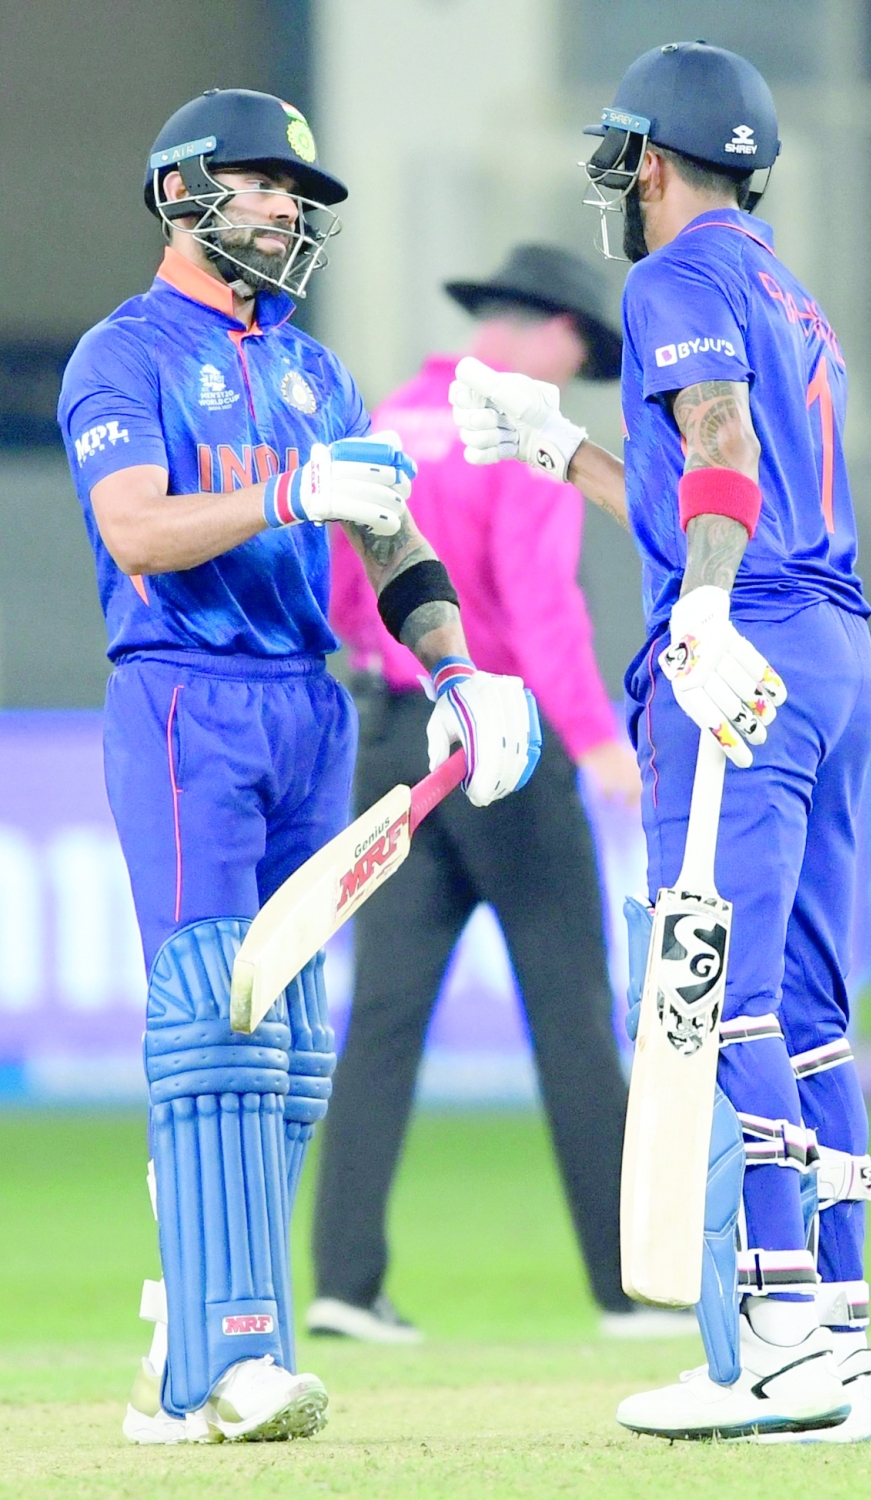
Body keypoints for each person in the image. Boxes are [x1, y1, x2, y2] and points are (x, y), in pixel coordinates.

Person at [57, 87, 538, 1446]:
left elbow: (391, 539)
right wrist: (288, 495)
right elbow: (140, 532)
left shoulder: (316, 372)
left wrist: (457, 674)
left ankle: (185, 1368)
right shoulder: (123, 353)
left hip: (308, 708)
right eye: (262, 183)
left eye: (299, 191)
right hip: (183, 699)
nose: (286, 208)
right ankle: (230, 1358)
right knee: (219, 1012)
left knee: (293, 1046)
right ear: (180, 192)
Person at [450, 42, 871, 1443]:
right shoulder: (784, 284)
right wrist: (557, 448)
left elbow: (720, 444)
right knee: (810, 1018)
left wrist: (702, 605)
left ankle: (771, 1346)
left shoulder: (673, 276)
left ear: (649, 162)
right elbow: (696, 465)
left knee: (717, 993)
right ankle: (845, 1341)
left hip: (740, 647)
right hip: (835, 655)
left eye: (622, 163)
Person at [308, 244, 692, 1343]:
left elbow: (348, 587)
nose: (574, 372)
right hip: (508, 742)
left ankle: (344, 1281)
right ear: (538, 329)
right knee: (571, 1012)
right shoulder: (517, 434)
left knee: (381, 1015)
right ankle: (630, 1287)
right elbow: (541, 600)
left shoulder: (387, 418)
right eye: (576, 347)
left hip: (397, 734)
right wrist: (590, 734)